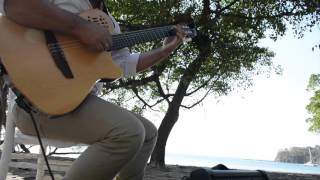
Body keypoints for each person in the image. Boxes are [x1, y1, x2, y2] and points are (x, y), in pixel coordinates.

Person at [0, 0, 186, 180]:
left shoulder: (108, 22)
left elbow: (123, 64)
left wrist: (163, 51)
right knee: (129, 132)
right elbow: (15, 4)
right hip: (36, 106)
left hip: (74, 103)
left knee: (149, 134)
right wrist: (79, 27)